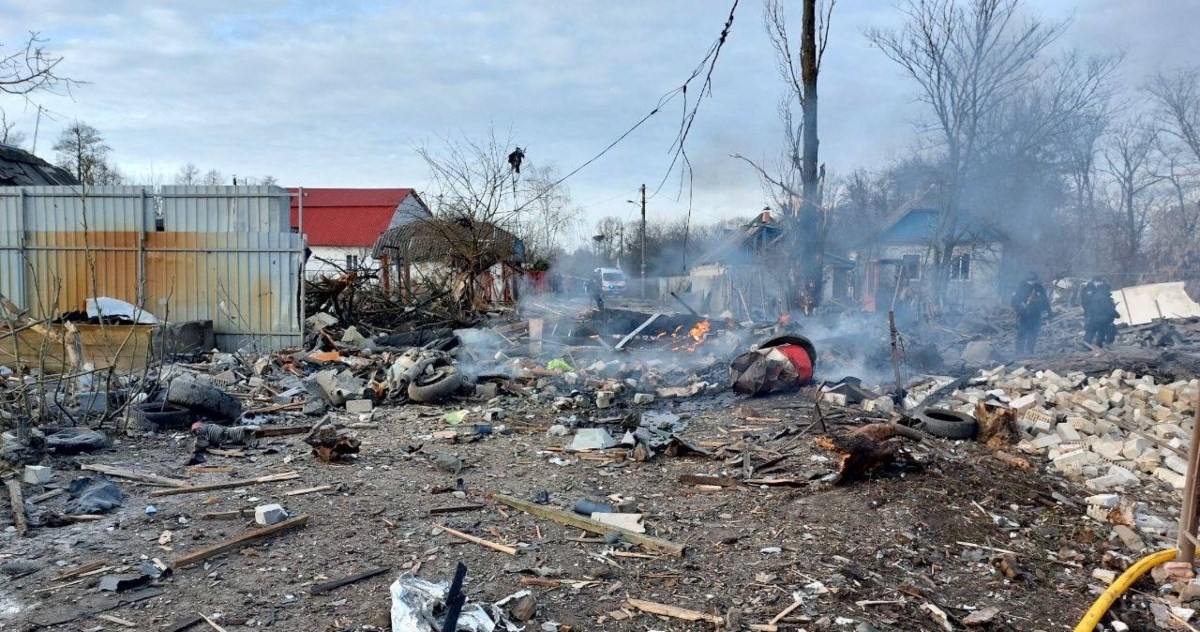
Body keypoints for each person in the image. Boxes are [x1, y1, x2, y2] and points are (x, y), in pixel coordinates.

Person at [1010, 272, 1052, 354]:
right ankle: (1019, 351)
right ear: (1027, 280)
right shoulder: (1020, 288)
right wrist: (1020, 309)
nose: (1032, 282)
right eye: (1030, 280)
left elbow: (1045, 301)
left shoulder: (1039, 288)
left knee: (1033, 334)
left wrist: (1049, 312)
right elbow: (1014, 302)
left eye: (1033, 280)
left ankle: (1030, 350)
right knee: (1021, 334)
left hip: (1036, 315)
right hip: (1023, 316)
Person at [1083, 277, 1119, 347]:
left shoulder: (1094, 295)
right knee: (1106, 331)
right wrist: (1117, 315)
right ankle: (1102, 345)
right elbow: (1108, 309)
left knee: (1091, 331)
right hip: (1103, 318)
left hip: (1093, 317)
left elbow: (1088, 306)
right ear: (1106, 289)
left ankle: (1086, 345)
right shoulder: (1104, 297)